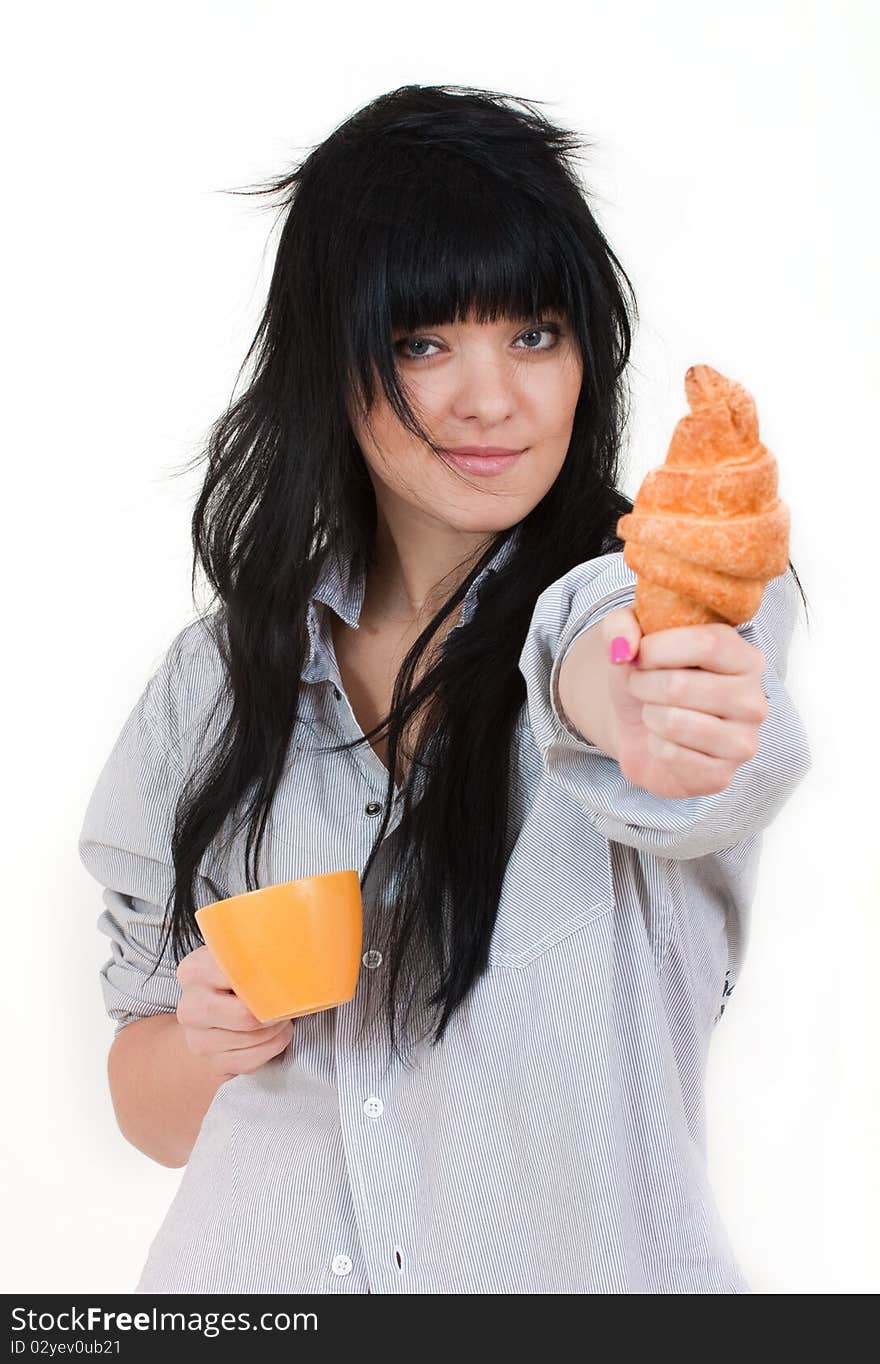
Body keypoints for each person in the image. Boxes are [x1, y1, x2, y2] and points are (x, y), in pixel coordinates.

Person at [77, 84, 813, 1294]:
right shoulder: (214, 683)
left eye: (534, 333)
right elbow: (148, 1109)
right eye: (424, 342)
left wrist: (623, 702)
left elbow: (645, 690)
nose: (491, 399)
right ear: (337, 358)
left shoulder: (663, 601)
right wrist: (210, 1036)